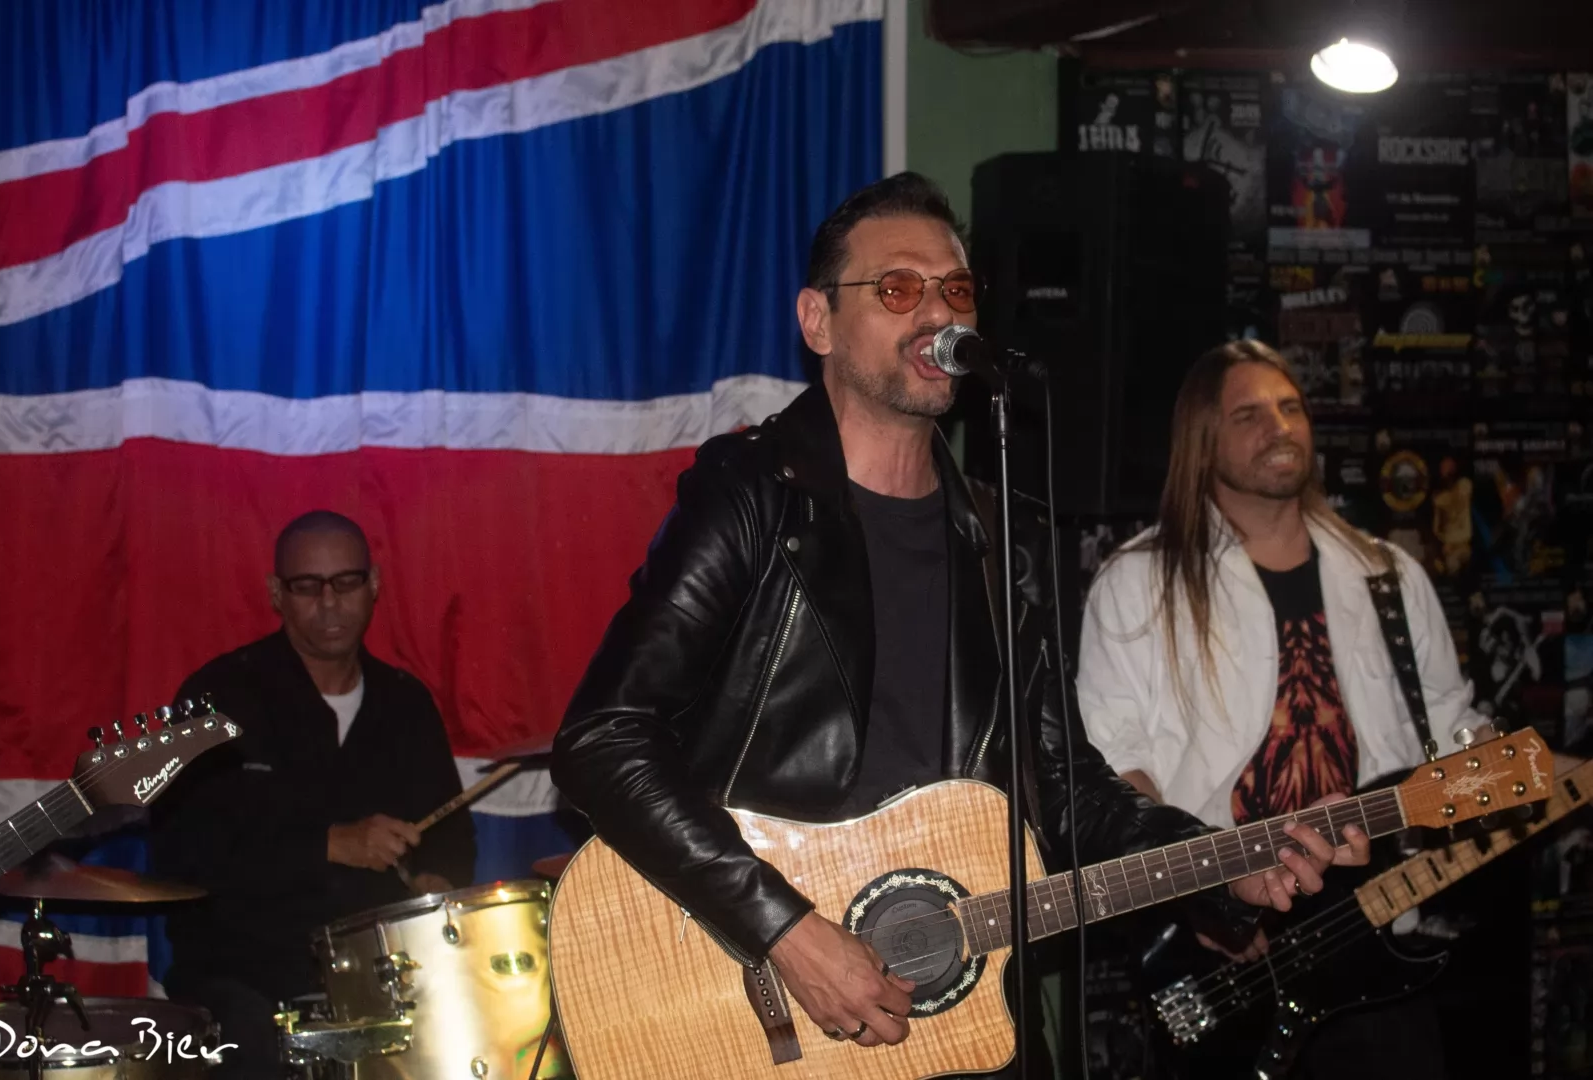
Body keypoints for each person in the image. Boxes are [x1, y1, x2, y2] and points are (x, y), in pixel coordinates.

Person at [549, 174, 1366, 1074]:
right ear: (819, 322)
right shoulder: (751, 496)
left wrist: (1222, 867)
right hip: (756, 988)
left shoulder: (1002, 536)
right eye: (899, 288)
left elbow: (1068, 789)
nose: (938, 311)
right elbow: (602, 739)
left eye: (957, 289)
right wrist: (785, 928)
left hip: (954, 1008)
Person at [1076, 340, 1488, 1077]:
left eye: (1291, 407)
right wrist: (1202, 896)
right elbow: (1115, 772)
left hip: (1381, 946)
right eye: (1249, 414)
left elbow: (1453, 725)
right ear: (1203, 441)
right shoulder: (1136, 584)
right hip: (1227, 962)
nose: (1280, 426)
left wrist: (1497, 759)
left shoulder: (1388, 575)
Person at [150, 510, 475, 1080]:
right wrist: (329, 844)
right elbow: (181, 853)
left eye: (346, 582)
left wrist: (435, 878)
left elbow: (451, 838)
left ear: (374, 585)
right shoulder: (218, 697)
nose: (330, 603)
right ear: (277, 593)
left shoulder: (406, 704)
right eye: (307, 586)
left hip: (383, 977)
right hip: (243, 978)